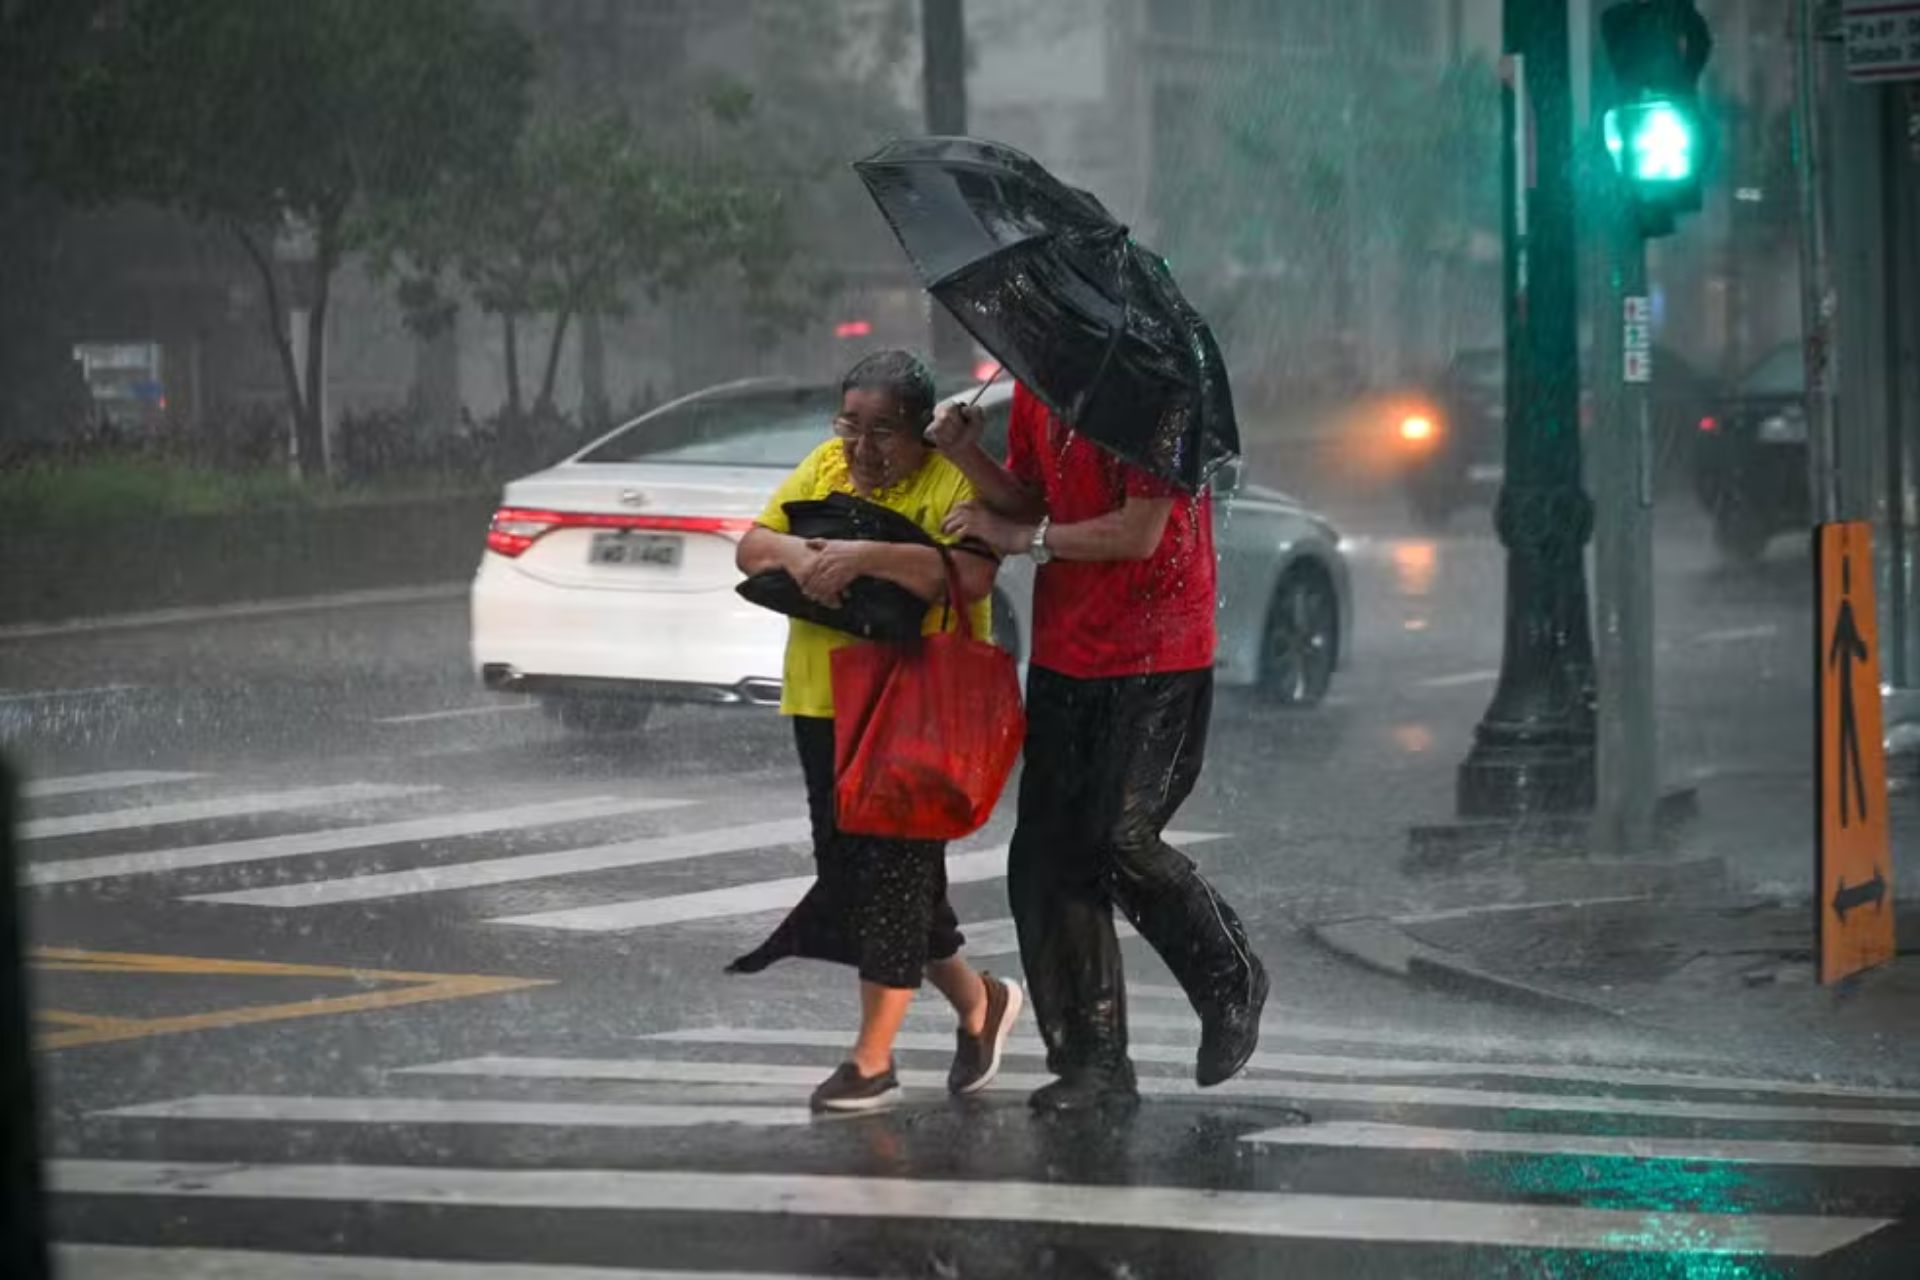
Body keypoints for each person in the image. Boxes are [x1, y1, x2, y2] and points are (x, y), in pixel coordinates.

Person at [929, 380, 1268, 1113]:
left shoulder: (1156, 390)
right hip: (1066, 652)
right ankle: (1093, 1063)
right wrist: (966, 455)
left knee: (1119, 837)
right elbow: (1028, 497)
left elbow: (1140, 531)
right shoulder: (1035, 387)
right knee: (1048, 863)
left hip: (1160, 655)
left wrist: (1027, 540)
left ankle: (1228, 976)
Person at [730, 350, 1022, 1113]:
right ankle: (981, 1001)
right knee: (862, 874)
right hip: (823, 702)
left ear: (921, 431)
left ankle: (872, 1060)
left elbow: (968, 576)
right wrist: (801, 551)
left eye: (885, 431)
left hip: (913, 706)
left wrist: (867, 554)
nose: (863, 448)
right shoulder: (824, 465)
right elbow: (753, 546)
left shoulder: (954, 478)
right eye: (850, 425)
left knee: (892, 879)